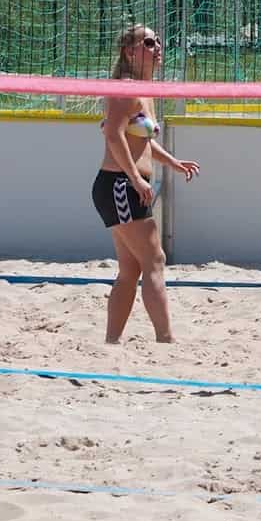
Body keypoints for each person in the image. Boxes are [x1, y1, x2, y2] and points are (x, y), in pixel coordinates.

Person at [95, 24, 201, 344]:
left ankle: (111, 342)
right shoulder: (125, 88)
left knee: (130, 269)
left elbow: (140, 141)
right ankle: (165, 340)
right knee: (155, 260)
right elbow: (113, 135)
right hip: (119, 186)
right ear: (130, 51)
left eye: (159, 42)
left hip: (124, 186)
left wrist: (173, 162)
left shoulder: (144, 90)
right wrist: (134, 178)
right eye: (150, 43)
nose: (158, 48)